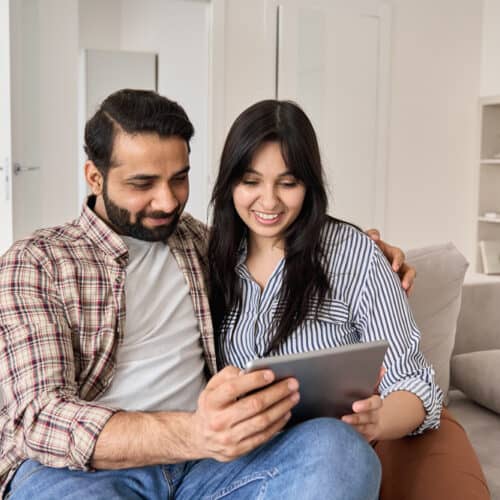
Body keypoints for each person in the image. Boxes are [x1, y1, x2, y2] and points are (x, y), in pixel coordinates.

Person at [0, 89, 412, 500]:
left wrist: (370, 249)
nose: (166, 201)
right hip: (87, 477)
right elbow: (38, 419)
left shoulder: (201, 243)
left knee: (338, 449)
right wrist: (196, 433)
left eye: (179, 178)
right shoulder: (37, 262)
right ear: (95, 176)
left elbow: (277, 237)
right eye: (142, 183)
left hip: (210, 470)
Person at [208, 99, 443, 443]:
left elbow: (412, 379)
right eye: (251, 182)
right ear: (230, 184)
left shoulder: (354, 254)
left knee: (330, 442)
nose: (269, 201)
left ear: (309, 185)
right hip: (235, 461)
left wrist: (378, 421)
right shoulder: (206, 257)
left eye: (287, 183)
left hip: (327, 451)